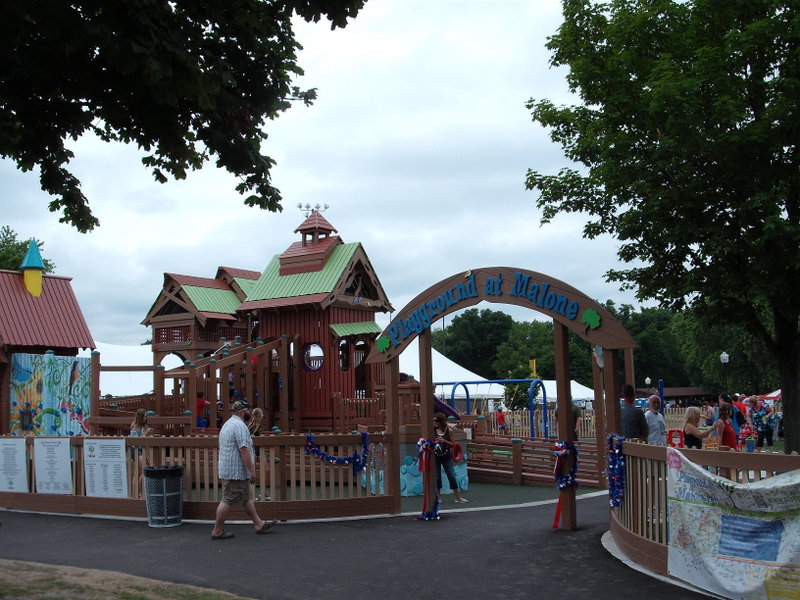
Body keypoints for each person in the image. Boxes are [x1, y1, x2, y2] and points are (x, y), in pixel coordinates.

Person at [211, 400, 275, 539]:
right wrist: (251, 471)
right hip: (236, 471)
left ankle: (258, 523)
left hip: (229, 468)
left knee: (246, 498)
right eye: (247, 410)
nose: (249, 413)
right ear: (241, 412)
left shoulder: (227, 424)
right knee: (227, 499)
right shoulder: (240, 427)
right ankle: (217, 530)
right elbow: (244, 450)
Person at [433, 412, 467, 503]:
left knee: (451, 476)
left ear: (441, 421)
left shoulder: (448, 431)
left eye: (436, 421)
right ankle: (438, 498)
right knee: (437, 477)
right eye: (433, 421)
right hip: (436, 457)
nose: (434, 423)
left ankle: (458, 497)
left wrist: (444, 441)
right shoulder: (432, 431)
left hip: (446, 456)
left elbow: (453, 445)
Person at [130, 408, 152, 495]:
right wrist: (146, 433)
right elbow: (136, 440)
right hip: (136, 449)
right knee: (143, 471)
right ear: (140, 417)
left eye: (146, 417)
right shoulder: (134, 427)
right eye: (144, 417)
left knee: (139, 472)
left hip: (140, 450)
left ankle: (136, 492)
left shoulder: (143, 426)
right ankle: (137, 492)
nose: (145, 418)